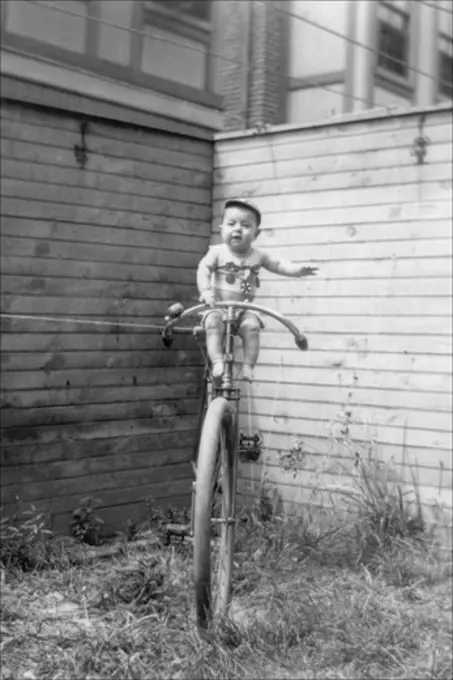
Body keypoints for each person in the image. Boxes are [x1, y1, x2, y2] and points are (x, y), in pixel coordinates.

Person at [197, 198, 318, 382]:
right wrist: (206, 291)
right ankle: (217, 361)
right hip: (218, 305)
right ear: (222, 228)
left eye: (245, 225)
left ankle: (248, 366)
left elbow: (278, 264)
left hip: (244, 308)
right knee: (213, 324)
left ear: (256, 233)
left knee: (252, 328)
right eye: (231, 223)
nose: (237, 228)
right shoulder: (217, 252)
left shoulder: (258, 255)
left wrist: (297, 271)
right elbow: (203, 269)